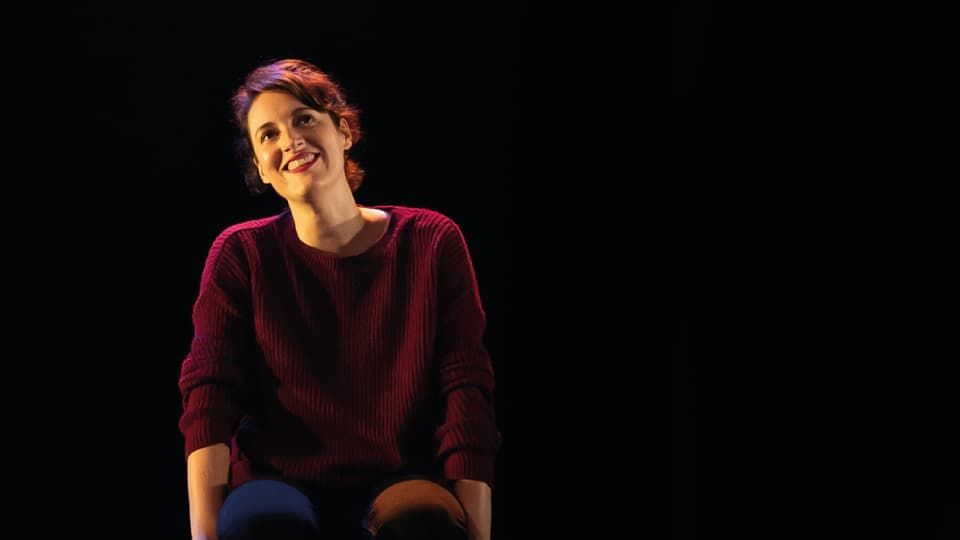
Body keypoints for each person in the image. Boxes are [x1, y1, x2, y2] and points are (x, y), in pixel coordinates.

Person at [178, 58, 500, 540]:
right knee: (262, 523)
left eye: (304, 118)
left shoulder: (431, 240)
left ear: (344, 131)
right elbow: (208, 397)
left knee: (423, 520)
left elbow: (465, 391)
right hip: (279, 479)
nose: (289, 140)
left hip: (399, 476)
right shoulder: (241, 254)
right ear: (260, 170)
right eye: (267, 135)